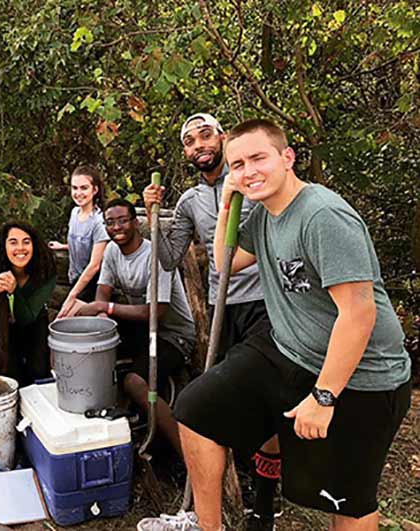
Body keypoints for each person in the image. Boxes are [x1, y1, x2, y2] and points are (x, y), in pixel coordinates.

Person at [139, 120, 411, 531]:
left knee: (347, 498)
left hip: (363, 374)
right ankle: (208, 526)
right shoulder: (264, 214)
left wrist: (324, 396)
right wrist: (228, 203)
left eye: (258, 158)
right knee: (194, 410)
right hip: (289, 349)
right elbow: (225, 263)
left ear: (287, 157)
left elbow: (359, 313)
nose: (248, 171)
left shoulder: (322, 215)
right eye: (238, 164)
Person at [143, 113, 279, 528]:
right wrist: (153, 216)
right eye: (190, 140)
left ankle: (265, 499)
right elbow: (168, 258)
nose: (199, 144)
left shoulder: (254, 182)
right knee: (224, 403)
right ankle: (220, 495)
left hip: (267, 305)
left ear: (222, 138)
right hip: (225, 311)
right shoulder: (189, 201)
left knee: (266, 402)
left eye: (206, 135)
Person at [74, 198, 195, 454]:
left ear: (136, 223)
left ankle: (185, 453)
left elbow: (156, 312)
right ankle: (108, 427)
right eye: (110, 222)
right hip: (142, 329)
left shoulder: (155, 256)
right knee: (89, 350)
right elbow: (102, 296)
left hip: (172, 334)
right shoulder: (112, 252)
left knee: (135, 382)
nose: (116, 227)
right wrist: (103, 319)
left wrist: (104, 309)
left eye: (122, 220)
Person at [0, 221, 57, 387]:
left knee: (39, 370)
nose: (20, 248)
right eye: (13, 242)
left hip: (33, 322)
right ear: (3, 246)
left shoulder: (46, 270)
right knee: (11, 374)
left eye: (26, 242)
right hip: (1, 328)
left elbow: (26, 318)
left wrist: (15, 291)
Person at [50, 165, 110, 317]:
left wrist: (72, 296)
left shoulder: (99, 222)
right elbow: (81, 243)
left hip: (91, 284)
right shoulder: (74, 213)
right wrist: (63, 246)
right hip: (75, 279)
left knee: (62, 322)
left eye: (84, 188)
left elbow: (95, 265)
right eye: (74, 188)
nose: (78, 193)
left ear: (94, 190)